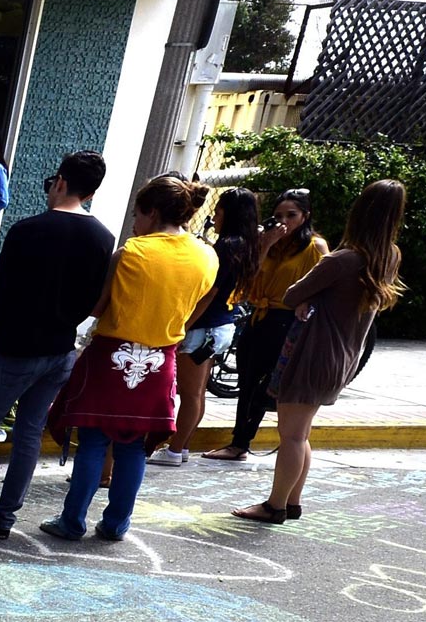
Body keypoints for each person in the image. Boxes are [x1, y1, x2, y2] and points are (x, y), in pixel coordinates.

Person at [0, 150, 113, 538]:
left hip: (19, 347)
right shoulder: (102, 237)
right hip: (61, 346)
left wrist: (5, 338)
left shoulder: (28, 229)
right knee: (29, 430)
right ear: (92, 191)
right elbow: (93, 297)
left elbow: (3, 291)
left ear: (60, 181)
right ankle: (6, 515)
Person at [39, 176, 216, 543]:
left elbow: (97, 306)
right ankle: (117, 524)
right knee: (133, 446)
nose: (134, 223)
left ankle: (72, 521)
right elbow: (202, 303)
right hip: (159, 360)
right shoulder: (205, 255)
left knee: (93, 441)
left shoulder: (132, 252)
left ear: (151, 212)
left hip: (111, 357)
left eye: (137, 215)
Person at [233, 179, 406, 525]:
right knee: (302, 432)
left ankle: (275, 505)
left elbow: (294, 293)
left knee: (292, 435)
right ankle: (292, 501)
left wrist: (310, 297)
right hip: (342, 356)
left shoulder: (343, 258)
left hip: (311, 352)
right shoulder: (389, 255)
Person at [205, 188, 329, 462]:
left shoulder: (314, 247)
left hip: (287, 320)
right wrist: (267, 244)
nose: (285, 221)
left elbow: (324, 284)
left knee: (265, 384)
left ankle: (250, 440)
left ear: (305, 217)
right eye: (279, 216)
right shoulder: (268, 244)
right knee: (247, 380)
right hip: (260, 315)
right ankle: (239, 443)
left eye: (292, 215)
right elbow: (248, 280)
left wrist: (306, 301)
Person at [150, 187, 259, 467]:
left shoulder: (227, 246)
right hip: (221, 324)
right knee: (196, 392)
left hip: (205, 326)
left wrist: (185, 325)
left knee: (189, 393)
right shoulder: (248, 245)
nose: (215, 217)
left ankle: (175, 450)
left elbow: (210, 292)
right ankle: (181, 446)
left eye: (219, 212)